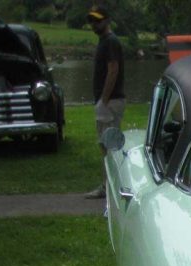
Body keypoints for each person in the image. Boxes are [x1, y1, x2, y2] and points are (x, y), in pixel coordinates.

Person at [84, 5, 125, 199]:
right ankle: (108, 185)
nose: (94, 24)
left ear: (107, 21)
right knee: (105, 145)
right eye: (92, 20)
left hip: (110, 101)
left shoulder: (110, 42)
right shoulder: (105, 41)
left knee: (108, 145)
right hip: (107, 101)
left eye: (97, 20)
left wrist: (104, 99)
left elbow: (113, 69)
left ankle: (109, 188)